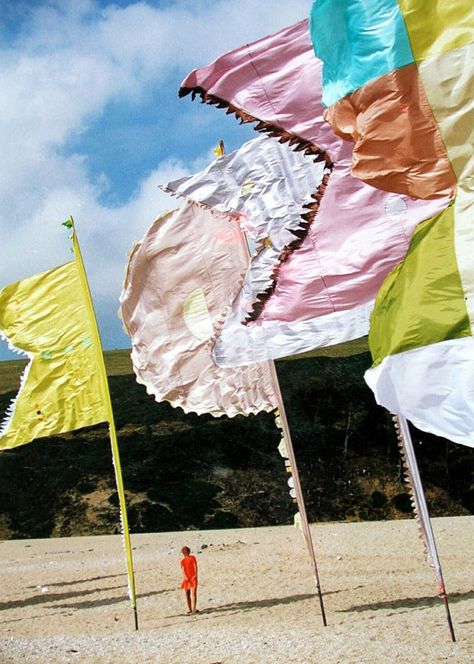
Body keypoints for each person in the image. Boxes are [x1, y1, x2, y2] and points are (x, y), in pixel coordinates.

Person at [180, 546, 198, 614]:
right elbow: (194, 566)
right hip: (190, 578)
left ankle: (191, 609)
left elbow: (183, 570)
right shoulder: (187, 559)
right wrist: (195, 575)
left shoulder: (189, 559)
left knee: (189, 594)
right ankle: (192, 608)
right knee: (192, 594)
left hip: (189, 578)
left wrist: (194, 575)